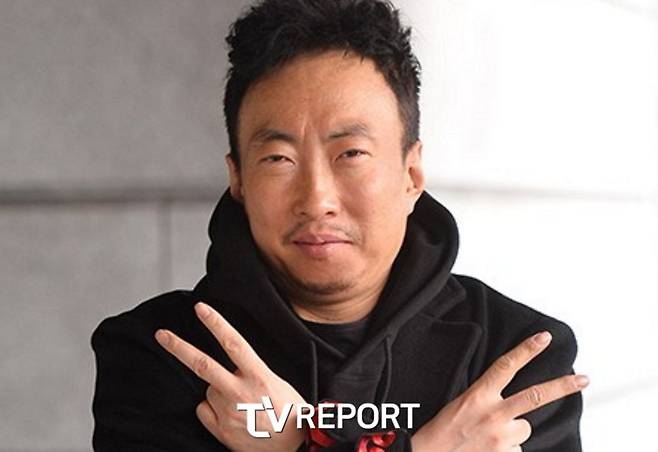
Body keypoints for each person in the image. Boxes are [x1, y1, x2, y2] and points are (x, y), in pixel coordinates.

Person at [91, 0, 587, 450]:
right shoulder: (160, 355)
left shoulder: (512, 359)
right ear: (237, 178)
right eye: (279, 159)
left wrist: (296, 445)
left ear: (411, 175)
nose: (317, 200)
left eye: (350, 153)